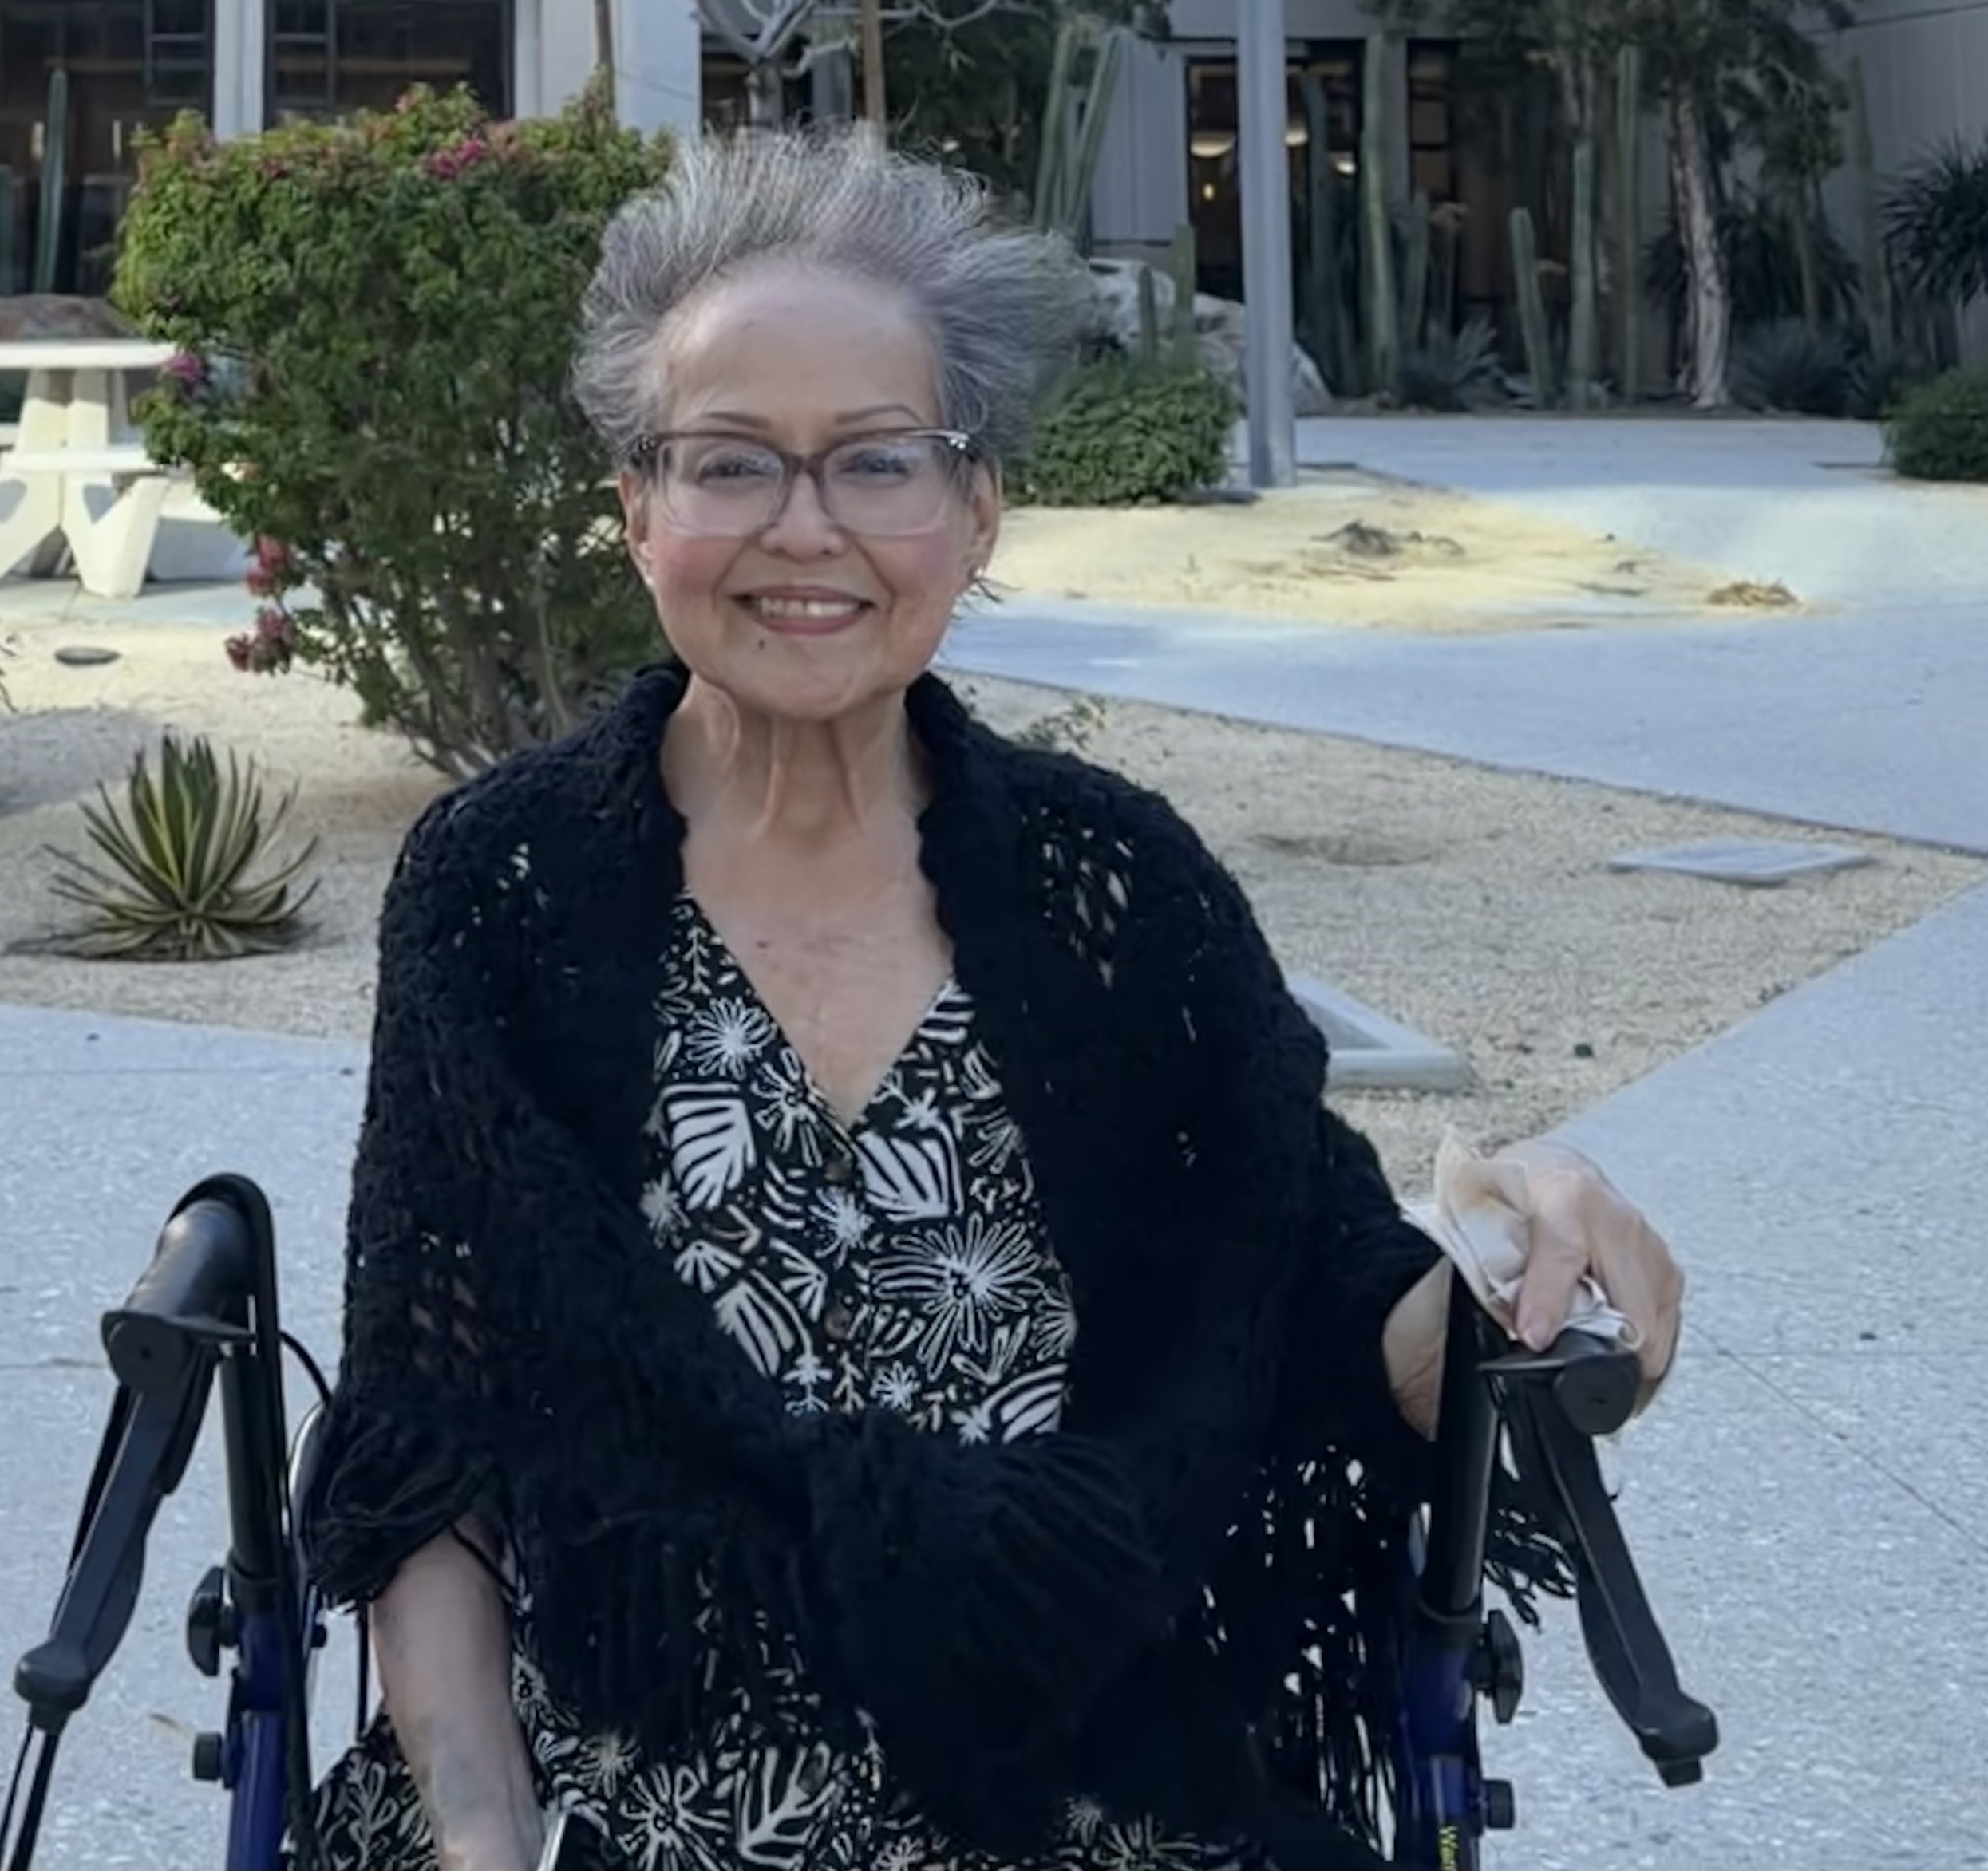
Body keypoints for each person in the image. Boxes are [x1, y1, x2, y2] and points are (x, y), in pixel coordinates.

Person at [298, 132, 1684, 1871]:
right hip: (630, 1796)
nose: (803, 530)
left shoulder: (1120, 891)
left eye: (875, 460)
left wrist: (1520, 1258)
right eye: (729, 461)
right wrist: (483, 1832)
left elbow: (1331, 1309)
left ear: (974, 508)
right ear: (636, 506)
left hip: (1083, 1789)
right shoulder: (497, 892)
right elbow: (432, 1438)